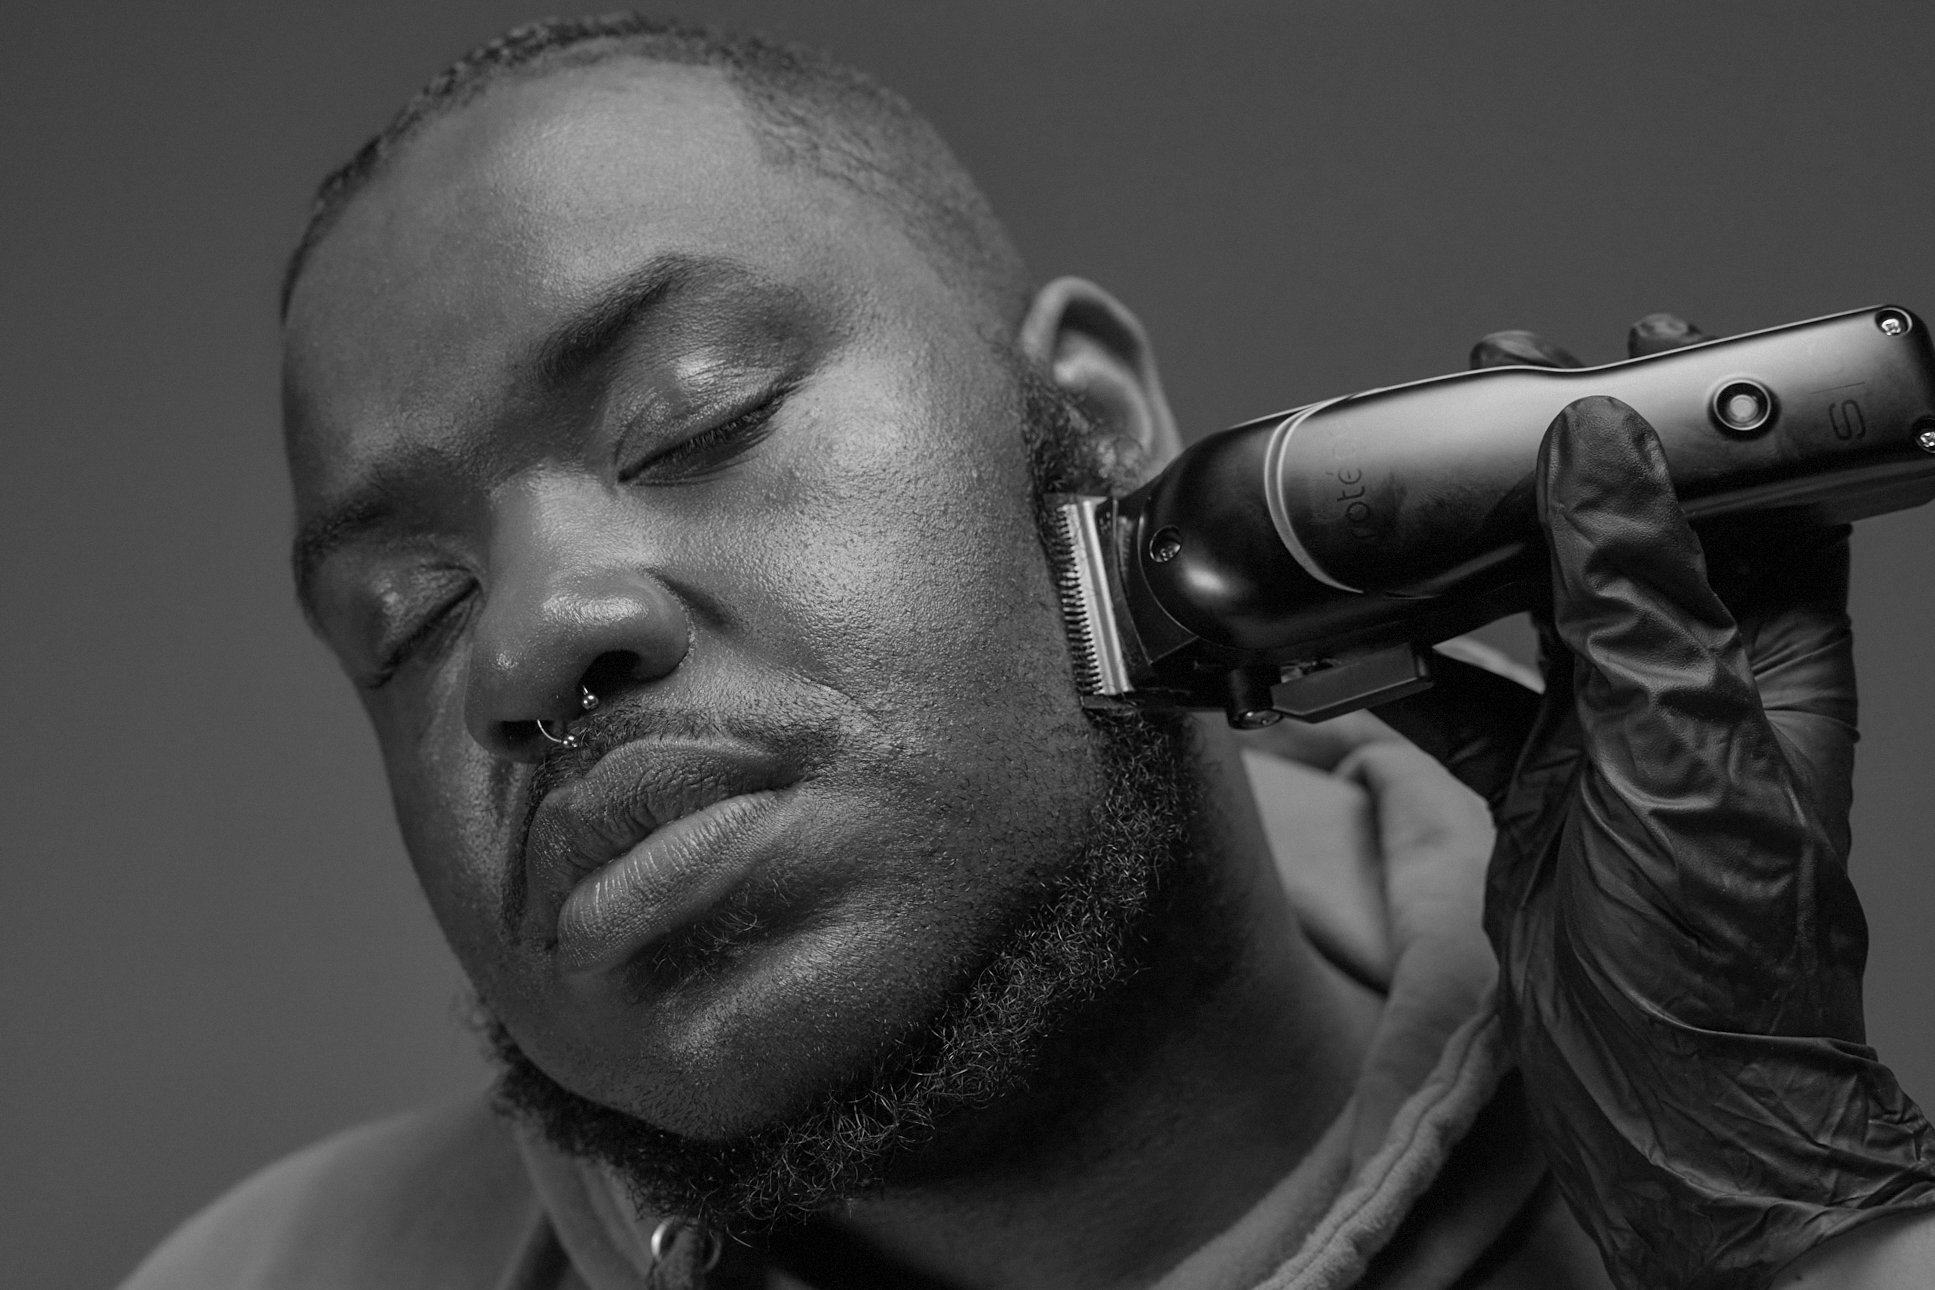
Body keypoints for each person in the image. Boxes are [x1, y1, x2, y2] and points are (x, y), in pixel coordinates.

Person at [121, 15, 1935, 1289]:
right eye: (412, 616)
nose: (528, 643)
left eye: (694, 418)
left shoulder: (1742, 1203)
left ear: (1095, 420)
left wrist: (1806, 1237)